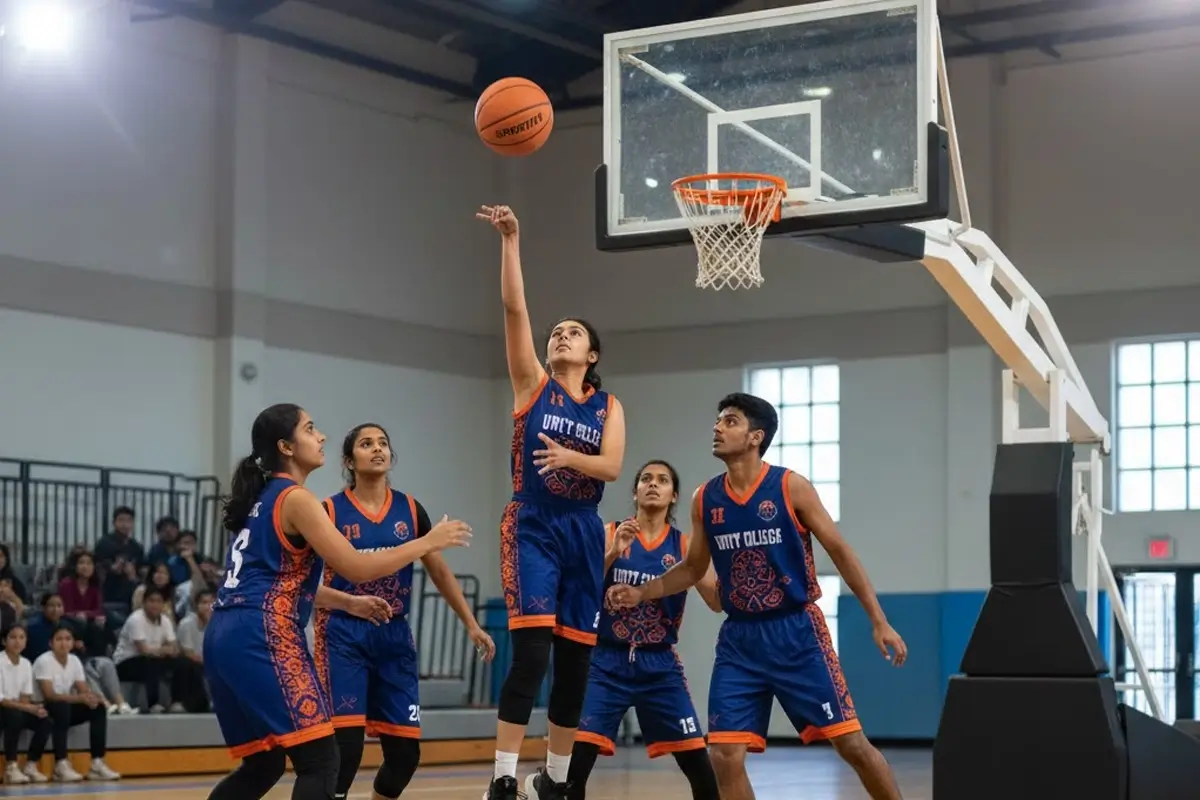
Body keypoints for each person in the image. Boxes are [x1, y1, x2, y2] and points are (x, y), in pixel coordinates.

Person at [608, 393, 909, 800]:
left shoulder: (790, 487)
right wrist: (642, 592)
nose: (717, 427)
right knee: (724, 755)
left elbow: (840, 551)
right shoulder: (705, 498)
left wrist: (878, 620)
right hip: (740, 641)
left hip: (797, 633)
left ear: (756, 437)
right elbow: (693, 569)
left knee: (851, 744)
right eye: (718, 420)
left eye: (730, 421)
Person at [203, 403, 473, 800]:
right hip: (263, 632)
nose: (321, 436)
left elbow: (283, 579)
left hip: (222, 634)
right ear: (286, 447)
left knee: (264, 764)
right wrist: (427, 542)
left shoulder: (262, 498)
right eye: (310, 429)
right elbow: (357, 567)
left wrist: (348, 602)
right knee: (321, 761)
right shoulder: (297, 499)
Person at [476, 204, 627, 800]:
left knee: (576, 664)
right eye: (556, 332)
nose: (560, 335)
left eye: (573, 333)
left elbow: (611, 467)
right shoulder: (531, 385)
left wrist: (570, 458)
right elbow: (515, 309)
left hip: (584, 529)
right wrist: (511, 241)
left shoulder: (608, 406)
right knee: (532, 654)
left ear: (592, 356)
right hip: (534, 523)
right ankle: (503, 776)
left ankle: (555, 780)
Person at [315, 422, 497, 800]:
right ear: (349, 461)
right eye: (366, 444)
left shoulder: (411, 510)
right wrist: (349, 602)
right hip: (343, 634)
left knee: (405, 756)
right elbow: (304, 586)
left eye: (383, 443)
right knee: (345, 751)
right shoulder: (328, 512)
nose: (377, 449)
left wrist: (471, 623)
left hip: (394, 635)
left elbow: (439, 571)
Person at [568, 460, 722, 800]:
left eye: (663, 480)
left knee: (699, 765)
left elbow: (716, 600)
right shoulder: (608, 533)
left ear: (674, 495)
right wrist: (612, 554)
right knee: (575, 765)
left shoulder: (684, 546)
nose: (653, 484)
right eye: (646, 479)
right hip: (606, 662)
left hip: (659, 666)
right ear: (635, 491)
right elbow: (578, 592)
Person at [32, 624, 119, 782]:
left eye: (68, 639)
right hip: (43, 708)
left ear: (73, 643)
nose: (64, 643)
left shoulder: (74, 660)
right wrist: (79, 698)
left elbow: (83, 689)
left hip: (65, 706)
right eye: (59, 639)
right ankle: (60, 764)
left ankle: (97, 763)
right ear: (51, 643)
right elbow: (49, 695)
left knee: (98, 709)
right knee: (62, 708)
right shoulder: (43, 661)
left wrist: (93, 698)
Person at [0, 623, 51, 785]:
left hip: (16, 707)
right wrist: (27, 707)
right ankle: (11, 767)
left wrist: (34, 709)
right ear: (4, 641)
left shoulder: (26, 664)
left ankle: (31, 765)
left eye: (22, 637)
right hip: (3, 709)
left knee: (45, 720)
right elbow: (2, 700)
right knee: (14, 716)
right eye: (13, 637)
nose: (18, 641)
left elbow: (25, 698)